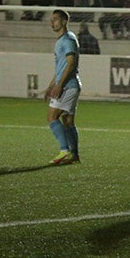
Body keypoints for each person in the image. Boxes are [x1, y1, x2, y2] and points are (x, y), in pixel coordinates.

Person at [45, 9, 82, 165]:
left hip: (68, 85)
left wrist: (59, 85)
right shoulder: (64, 39)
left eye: (56, 19)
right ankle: (74, 154)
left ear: (64, 21)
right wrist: (50, 86)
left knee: (52, 117)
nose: (52, 22)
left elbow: (71, 63)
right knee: (68, 121)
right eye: (51, 19)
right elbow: (61, 67)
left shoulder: (67, 40)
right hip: (70, 85)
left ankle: (64, 150)